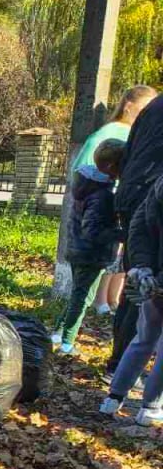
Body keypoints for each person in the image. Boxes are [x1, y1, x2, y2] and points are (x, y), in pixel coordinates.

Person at [70, 86, 157, 315]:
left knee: (123, 259)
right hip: (116, 208)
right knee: (117, 260)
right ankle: (101, 303)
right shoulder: (112, 134)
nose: (147, 113)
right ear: (129, 106)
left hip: (120, 206)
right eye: (143, 108)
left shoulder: (133, 132)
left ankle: (111, 301)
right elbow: (88, 173)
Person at [108, 88, 163, 379]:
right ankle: (126, 367)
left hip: (134, 195)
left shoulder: (153, 106)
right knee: (145, 284)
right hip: (152, 199)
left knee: (135, 281)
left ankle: (119, 363)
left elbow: (129, 154)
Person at [53, 140, 126, 355]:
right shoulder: (102, 196)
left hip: (78, 250)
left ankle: (58, 332)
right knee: (82, 298)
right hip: (90, 255)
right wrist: (123, 235)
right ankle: (67, 343)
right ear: (113, 167)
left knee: (77, 294)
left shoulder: (87, 184)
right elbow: (92, 230)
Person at [101, 172, 163, 424]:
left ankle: (113, 399)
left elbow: (138, 229)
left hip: (149, 280)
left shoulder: (157, 187)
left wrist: (142, 267)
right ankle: (151, 407)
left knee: (143, 339)